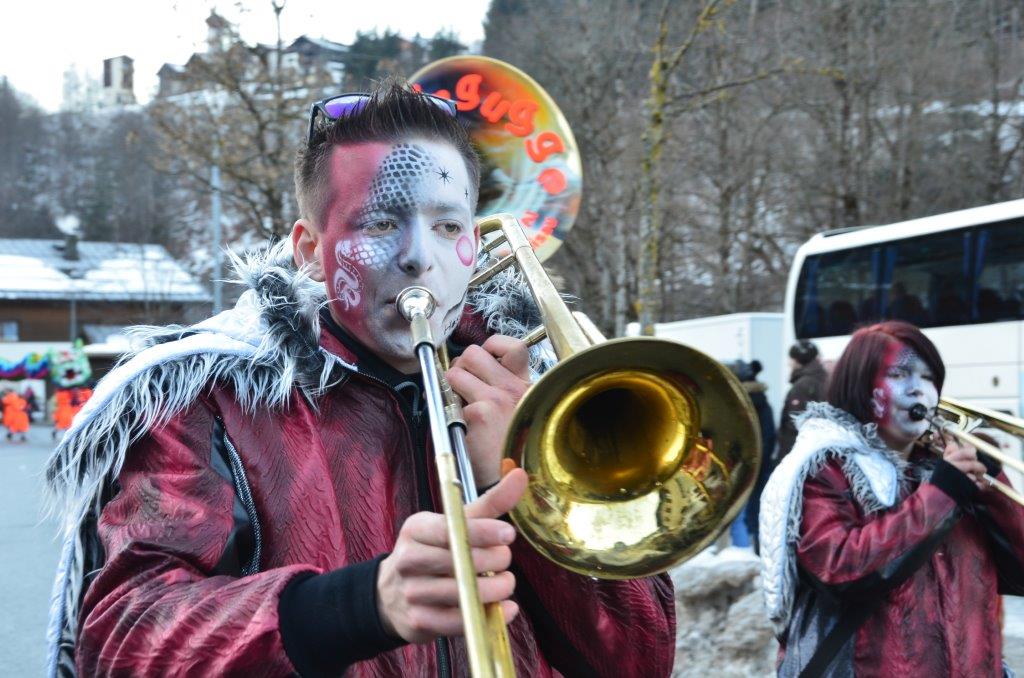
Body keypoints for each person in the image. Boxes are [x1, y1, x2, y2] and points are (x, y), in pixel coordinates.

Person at [44, 81, 675, 677]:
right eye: (380, 223)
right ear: (310, 253)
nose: (420, 257)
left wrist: (533, 482)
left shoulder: (535, 396)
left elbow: (640, 657)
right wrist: (357, 606)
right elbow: (124, 639)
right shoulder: (203, 400)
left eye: (448, 226)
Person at [759, 320, 1024, 676]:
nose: (918, 390)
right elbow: (839, 570)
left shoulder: (947, 470)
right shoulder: (823, 468)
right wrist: (941, 495)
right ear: (860, 385)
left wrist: (994, 490)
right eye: (899, 374)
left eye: (929, 378)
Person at [726, 360, 776, 553]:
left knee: (739, 515)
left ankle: (743, 554)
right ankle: (751, 553)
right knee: (754, 513)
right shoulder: (763, 401)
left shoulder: (737, 404)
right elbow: (770, 436)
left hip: (740, 466)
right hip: (761, 466)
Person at [776, 340, 827, 460]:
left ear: (796, 360)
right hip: (818, 449)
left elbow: (795, 424)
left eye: (790, 358)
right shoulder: (823, 378)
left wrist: (787, 458)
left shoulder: (802, 385)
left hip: (800, 453)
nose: (788, 363)